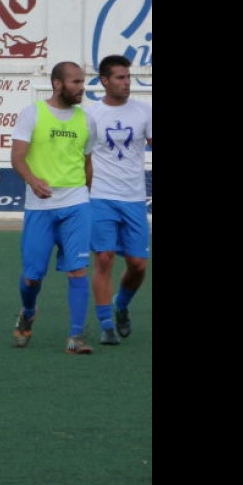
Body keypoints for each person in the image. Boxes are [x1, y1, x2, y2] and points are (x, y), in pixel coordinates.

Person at [9, 61, 97, 355]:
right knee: (32, 276)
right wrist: (33, 181)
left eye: (82, 82)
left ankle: (76, 337)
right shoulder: (32, 113)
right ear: (57, 83)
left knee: (78, 271)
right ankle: (28, 311)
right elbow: (18, 158)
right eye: (74, 82)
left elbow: (87, 163)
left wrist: (86, 195)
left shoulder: (87, 120)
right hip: (40, 206)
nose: (80, 87)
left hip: (75, 205)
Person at [87, 54, 152, 345]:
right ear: (104, 80)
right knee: (104, 258)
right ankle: (105, 324)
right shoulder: (90, 114)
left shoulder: (144, 112)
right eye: (120, 77)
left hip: (134, 199)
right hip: (100, 196)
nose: (127, 83)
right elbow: (79, 156)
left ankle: (121, 305)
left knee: (138, 264)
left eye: (128, 77)